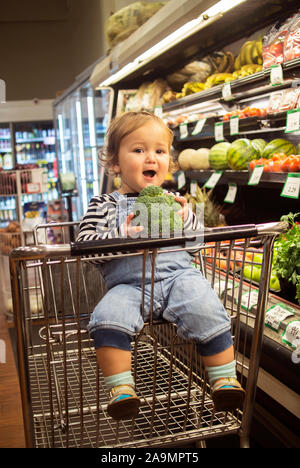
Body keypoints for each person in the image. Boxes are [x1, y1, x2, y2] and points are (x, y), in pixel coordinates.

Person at [77, 111, 245, 420]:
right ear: (115, 163)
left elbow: (195, 247)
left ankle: (223, 379)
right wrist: (120, 236)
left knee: (206, 306)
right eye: (138, 150)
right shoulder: (103, 206)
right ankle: (121, 388)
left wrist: (188, 221)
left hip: (180, 278)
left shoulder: (174, 201)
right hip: (128, 286)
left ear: (169, 161)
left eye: (159, 150)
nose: (150, 158)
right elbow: (85, 246)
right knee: (107, 317)